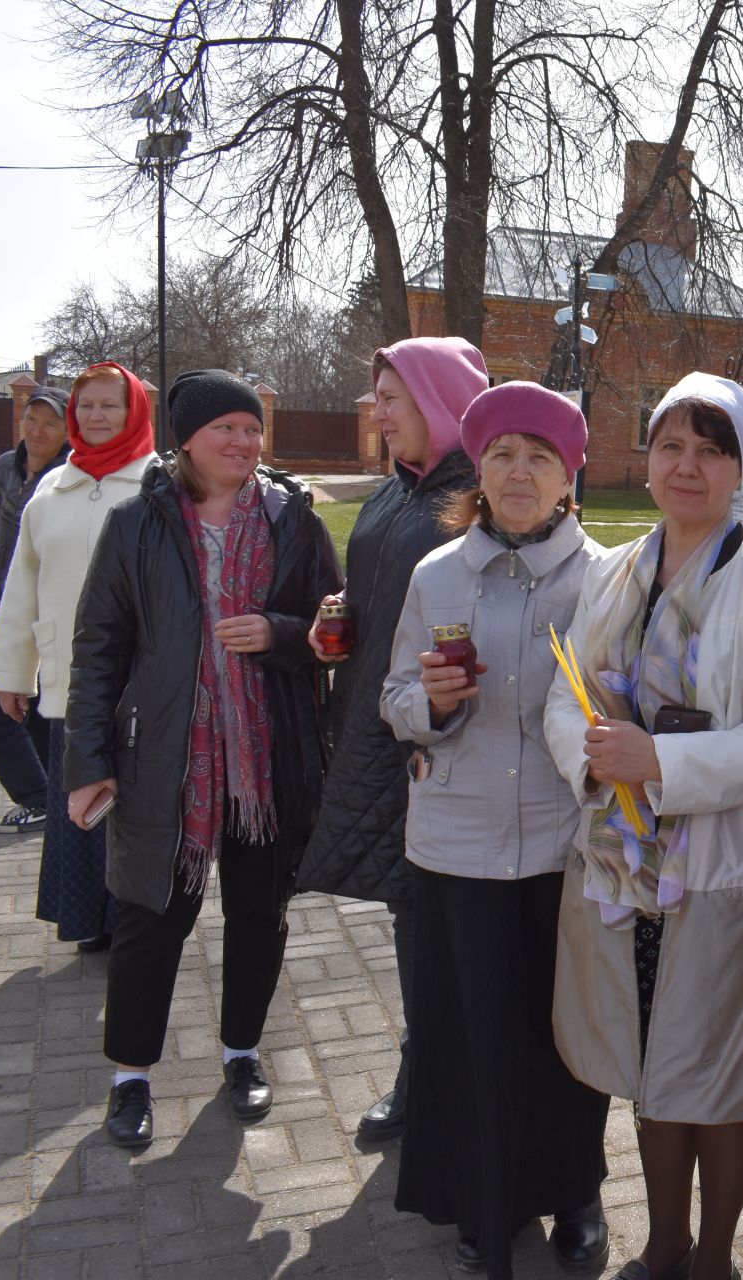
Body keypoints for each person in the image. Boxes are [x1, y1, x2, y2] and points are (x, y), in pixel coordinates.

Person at [547, 372, 743, 1280]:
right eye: (671, 446)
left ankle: (717, 1257)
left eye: (711, 449)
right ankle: (665, 1243)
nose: (687, 466)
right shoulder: (613, 572)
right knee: (656, 1060)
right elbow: (563, 691)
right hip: (627, 861)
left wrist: (656, 764)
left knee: (723, 1072)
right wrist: (591, 758)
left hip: (727, 870)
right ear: (647, 459)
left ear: (741, 468)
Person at [65, 369, 342, 1148]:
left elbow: (334, 624)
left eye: (252, 430)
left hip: (268, 758)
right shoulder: (136, 526)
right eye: (226, 429)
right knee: (153, 918)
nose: (244, 443)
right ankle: (130, 1077)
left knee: (260, 914)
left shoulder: (295, 519)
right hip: (166, 762)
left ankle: (242, 1053)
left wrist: (280, 634)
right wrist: (88, 760)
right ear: (185, 438)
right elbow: (98, 650)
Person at [380, 381, 610, 1280]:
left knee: (565, 1037)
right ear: (480, 469)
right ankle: (486, 1201)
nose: (520, 473)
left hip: (565, 849)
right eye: (504, 455)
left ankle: (575, 1190)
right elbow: (393, 696)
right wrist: (428, 706)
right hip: (458, 848)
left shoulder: (607, 577)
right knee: (471, 1036)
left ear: (568, 477)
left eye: (540, 458)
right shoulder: (436, 575)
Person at [294, 336, 488, 1144]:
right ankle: (427, 1063)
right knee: (410, 915)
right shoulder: (393, 492)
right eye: (376, 395)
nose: (377, 409)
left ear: (439, 403)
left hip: (440, 742)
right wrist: (334, 625)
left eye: (391, 396)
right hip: (374, 723)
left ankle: (440, 1071)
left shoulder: (470, 495)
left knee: (440, 918)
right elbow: (376, 596)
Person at [0, 363, 157, 952]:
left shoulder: (158, 484)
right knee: (82, 804)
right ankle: (89, 921)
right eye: (85, 407)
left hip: (142, 683)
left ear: (134, 411)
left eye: (110, 405)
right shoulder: (51, 489)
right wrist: (11, 672)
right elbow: (21, 586)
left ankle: (138, 923)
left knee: (138, 808)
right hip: (68, 682)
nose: (95, 416)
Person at [0, 386, 71, 836]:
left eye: (50, 423)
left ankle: (35, 798)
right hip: (7, 612)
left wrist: (6, 592)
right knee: (35, 710)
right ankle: (53, 799)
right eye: (31, 420)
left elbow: (55, 554)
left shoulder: (70, 478)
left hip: (47, 614)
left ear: (68, 430)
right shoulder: (5, 467)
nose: (37, 431)